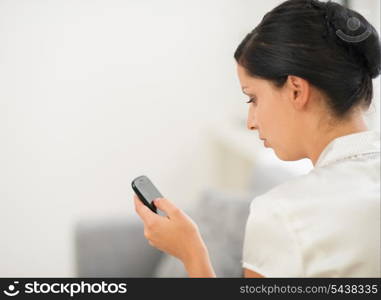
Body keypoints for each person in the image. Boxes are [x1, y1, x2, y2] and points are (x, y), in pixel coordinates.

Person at [134, 0, 381, 277]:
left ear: (296, 90)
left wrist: (192, 253)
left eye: (253, 98)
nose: (251, 122)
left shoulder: (282, 213)